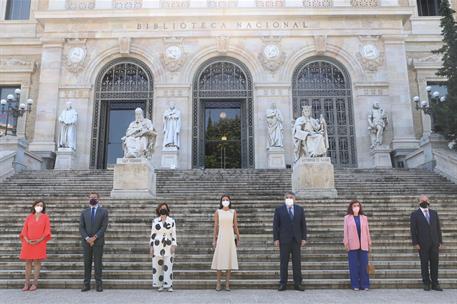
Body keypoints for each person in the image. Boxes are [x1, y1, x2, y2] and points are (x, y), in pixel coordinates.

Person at [273, 191, 307, 291]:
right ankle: (283, 283)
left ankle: (298, 283)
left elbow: (303, 225)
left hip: (296, 240)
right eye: (287, 197)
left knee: (297, 263)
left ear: (295, 199)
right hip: (284, 240)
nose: (289, 199)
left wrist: (304, 238)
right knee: (283, 263)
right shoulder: (279, 210)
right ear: (284, 199)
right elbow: (276, 225)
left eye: (291, 197)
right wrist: (276, 239)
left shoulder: (300, 209)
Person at [410, 195, 443, 291]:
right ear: (419, 202)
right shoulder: (415, 214)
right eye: (422, 200)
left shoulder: (434, 213)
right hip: (422, 244)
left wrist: (440, 241)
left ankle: (435, 283)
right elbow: (413, 230)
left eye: (426, 200)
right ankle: (426, 283)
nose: (424, 201)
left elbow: (438, 228)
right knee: (424, 264)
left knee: (435, 263)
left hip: (434, 243)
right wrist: (415, 242)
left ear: (428, 201)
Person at [19, 200, 51, 291]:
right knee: (28, 262)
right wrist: (27, 240)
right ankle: (26, 283)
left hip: (40, 243)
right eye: (38, 205)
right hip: (28, 243)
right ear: (34, 206)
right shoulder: (29, 217)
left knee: (37, 262)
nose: (39, 207)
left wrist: (39, 240)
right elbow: (24, 230)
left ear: (43, 208)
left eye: (41, 205)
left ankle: (35, 283)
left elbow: (47, 230)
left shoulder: (45, 217)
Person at [79, 192, 109, 292]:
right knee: (87, 263)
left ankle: (99, 284)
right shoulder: (84, 212)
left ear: (98, 199)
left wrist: (94, 238)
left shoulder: (104, 211)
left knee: (98, 263)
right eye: (91, 197)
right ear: (88, 199)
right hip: (86, 242)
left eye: (95, 198)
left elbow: (103, 227)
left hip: (98, 241)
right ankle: (86, 284)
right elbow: (81, 227)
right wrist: (87, 238)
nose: (93, 199)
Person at [211, 195, 240, 291]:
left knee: (229, 260)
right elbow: (215, 226)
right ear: (221, 201)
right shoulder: (218, 212)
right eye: (223, 200)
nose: (225, 201)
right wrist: (214, 240)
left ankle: (227, 284)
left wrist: (238, 236)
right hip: (221, 237)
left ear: (229, 201)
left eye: (227, 200)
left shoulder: (233, 212)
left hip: (230, 237)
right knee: (220, 260)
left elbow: (235, 225)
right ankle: (218, 283)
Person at [343, 200, 372, 291]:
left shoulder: (364, 218)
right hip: (352, 244)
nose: (356, 207)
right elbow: (345, 232)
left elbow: (367, 231)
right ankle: (355, 284)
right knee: (353, 266)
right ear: (351, 207)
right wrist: (346, 243)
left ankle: (365, 284)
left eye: (358, 206)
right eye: (354, 206)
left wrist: (369, 243)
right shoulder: (347, 218)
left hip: (363, 244)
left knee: (364, 265)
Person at [150, 203, 177, 292]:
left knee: (168, 266)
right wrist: (151, 247)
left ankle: (169, 285)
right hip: (157, 245)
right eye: (161, 208)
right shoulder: (155, 221)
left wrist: (174, 244)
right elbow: (152, 234)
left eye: (165, 208)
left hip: (168, 245)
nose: (163, 209)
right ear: (159, 210)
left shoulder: (171, 220)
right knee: (158, 266)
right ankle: (159, 284)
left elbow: (173, 233)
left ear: (167, 210)